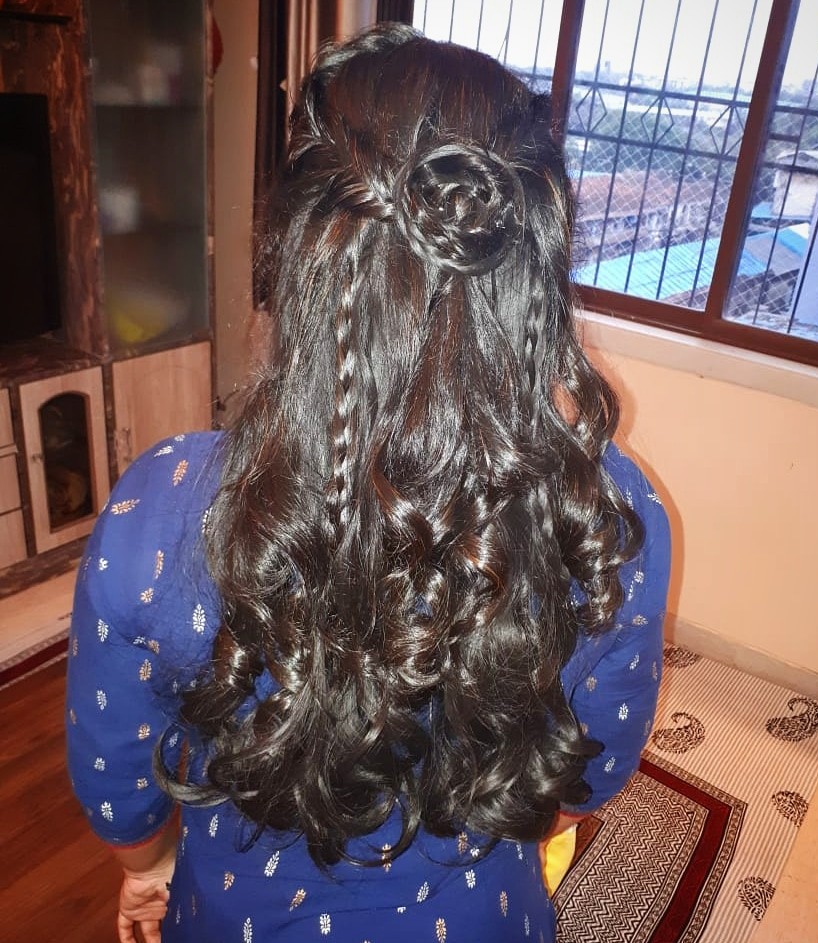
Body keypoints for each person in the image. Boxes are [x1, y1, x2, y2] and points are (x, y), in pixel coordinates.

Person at [66, 23, 670, 943]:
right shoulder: (609, 517)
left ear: (297, 254)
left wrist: (147, 869)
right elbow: (584, 777)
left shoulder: (165, 504)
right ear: (534, 276)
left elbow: (115, 780)